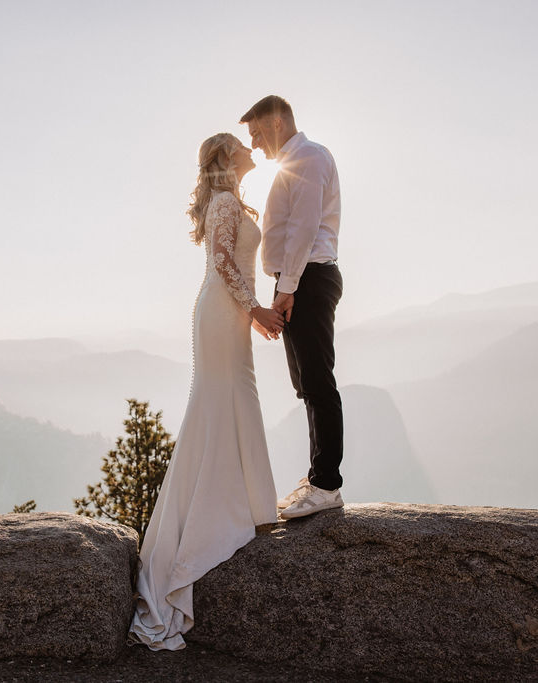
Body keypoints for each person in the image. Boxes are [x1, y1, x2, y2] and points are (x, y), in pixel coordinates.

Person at [128, 133, 283, 651]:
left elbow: (233, 265)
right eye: (240, 145)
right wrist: (254, 309)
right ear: (224, 156)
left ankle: (245, 503)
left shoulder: (232, 201)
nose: (249, 149)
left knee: (236, 396)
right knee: (225, 397)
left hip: (231, 311)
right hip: (220, 310)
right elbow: (221, 263)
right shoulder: (222, 203)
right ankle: (218, 518)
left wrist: (255, 311)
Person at [240, 95, 345, 520]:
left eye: (258, 132)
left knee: (318, 381)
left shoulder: (309, 157)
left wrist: (287, 288)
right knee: (305, 384)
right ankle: (317, 476)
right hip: (298, 280)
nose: (256, 143)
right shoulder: (296, 160)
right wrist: (285, 286)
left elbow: (303, 228)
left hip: (309, 279)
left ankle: (326, 484)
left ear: (278, 121)